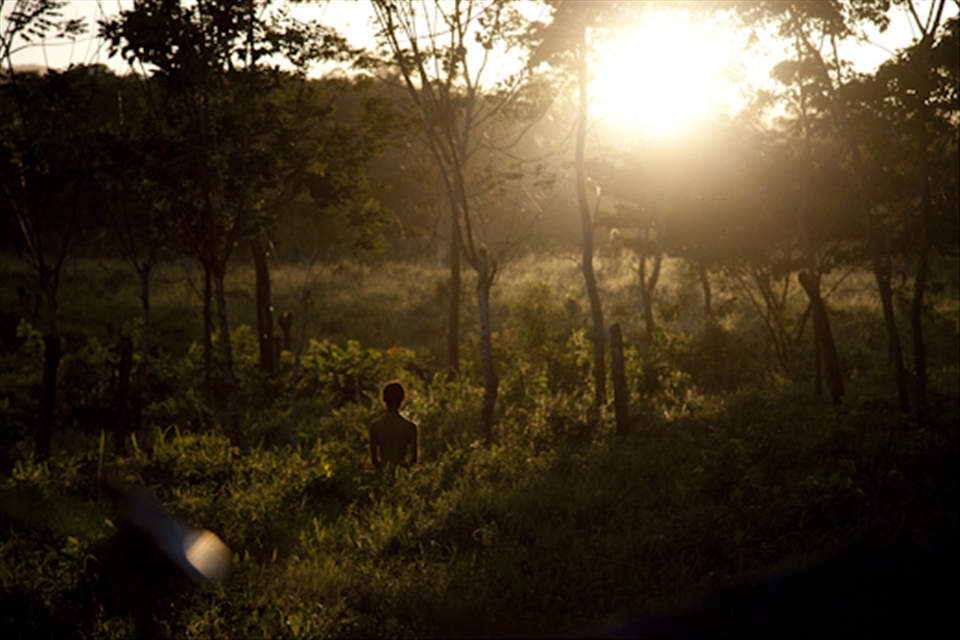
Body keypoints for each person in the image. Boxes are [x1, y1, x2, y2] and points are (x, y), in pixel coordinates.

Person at [368, 380, 418, 469]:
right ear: (403, 399)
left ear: (384, 399)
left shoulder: (375, 427)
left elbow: (374, 461)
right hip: (402, 475)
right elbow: (413, 460)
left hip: (383, 474)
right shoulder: (410, 427)